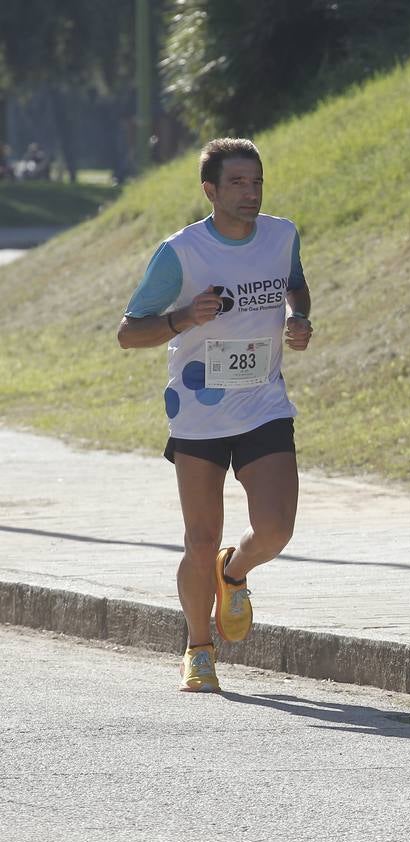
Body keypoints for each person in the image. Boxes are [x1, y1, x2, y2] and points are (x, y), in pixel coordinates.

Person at [117, 138, 315, 692]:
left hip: (263, 404)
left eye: (256, 182)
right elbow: (129, 332)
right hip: (198, 414)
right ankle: (198, 648)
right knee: (199, 539)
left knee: (276, 527)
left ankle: (234, 573)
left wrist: (298, 319)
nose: (250, 193)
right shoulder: (180, 252)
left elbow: (295, 286)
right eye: (237, 183)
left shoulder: (281, 236)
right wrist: (182, 318)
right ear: (210, 190)